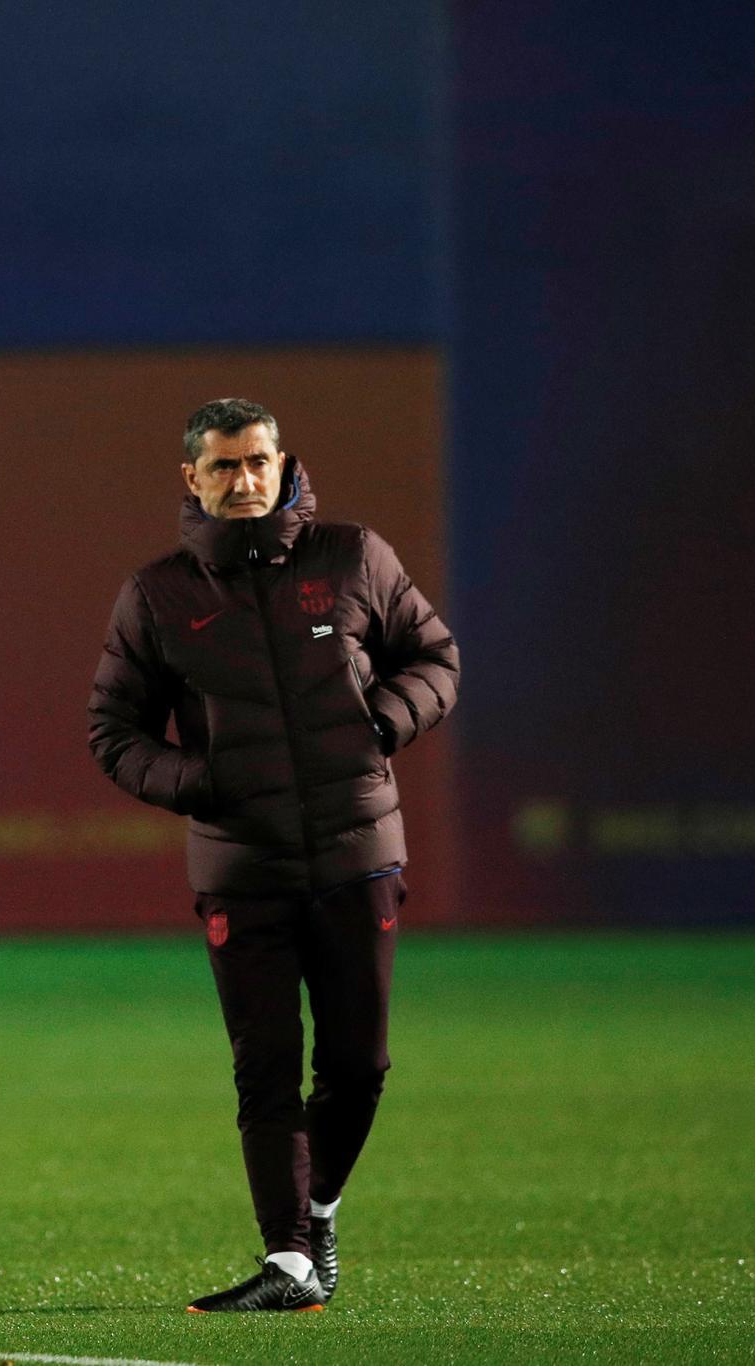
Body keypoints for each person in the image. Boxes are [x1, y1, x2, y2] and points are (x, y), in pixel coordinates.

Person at [88, 398, 459, 1313]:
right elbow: (113, 730)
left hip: (356, 849)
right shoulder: (159, 593)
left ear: (283, 461)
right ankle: (290, 1261)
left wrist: (382, 722)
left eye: (257, 462)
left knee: (360, 1064)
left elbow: (436, 659)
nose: (243, 481)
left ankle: (320, 1210)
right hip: (240, 868)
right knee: (264, 1068)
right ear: (192, 478)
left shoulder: (353, 556)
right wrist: (196, 783)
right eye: (223, 467)